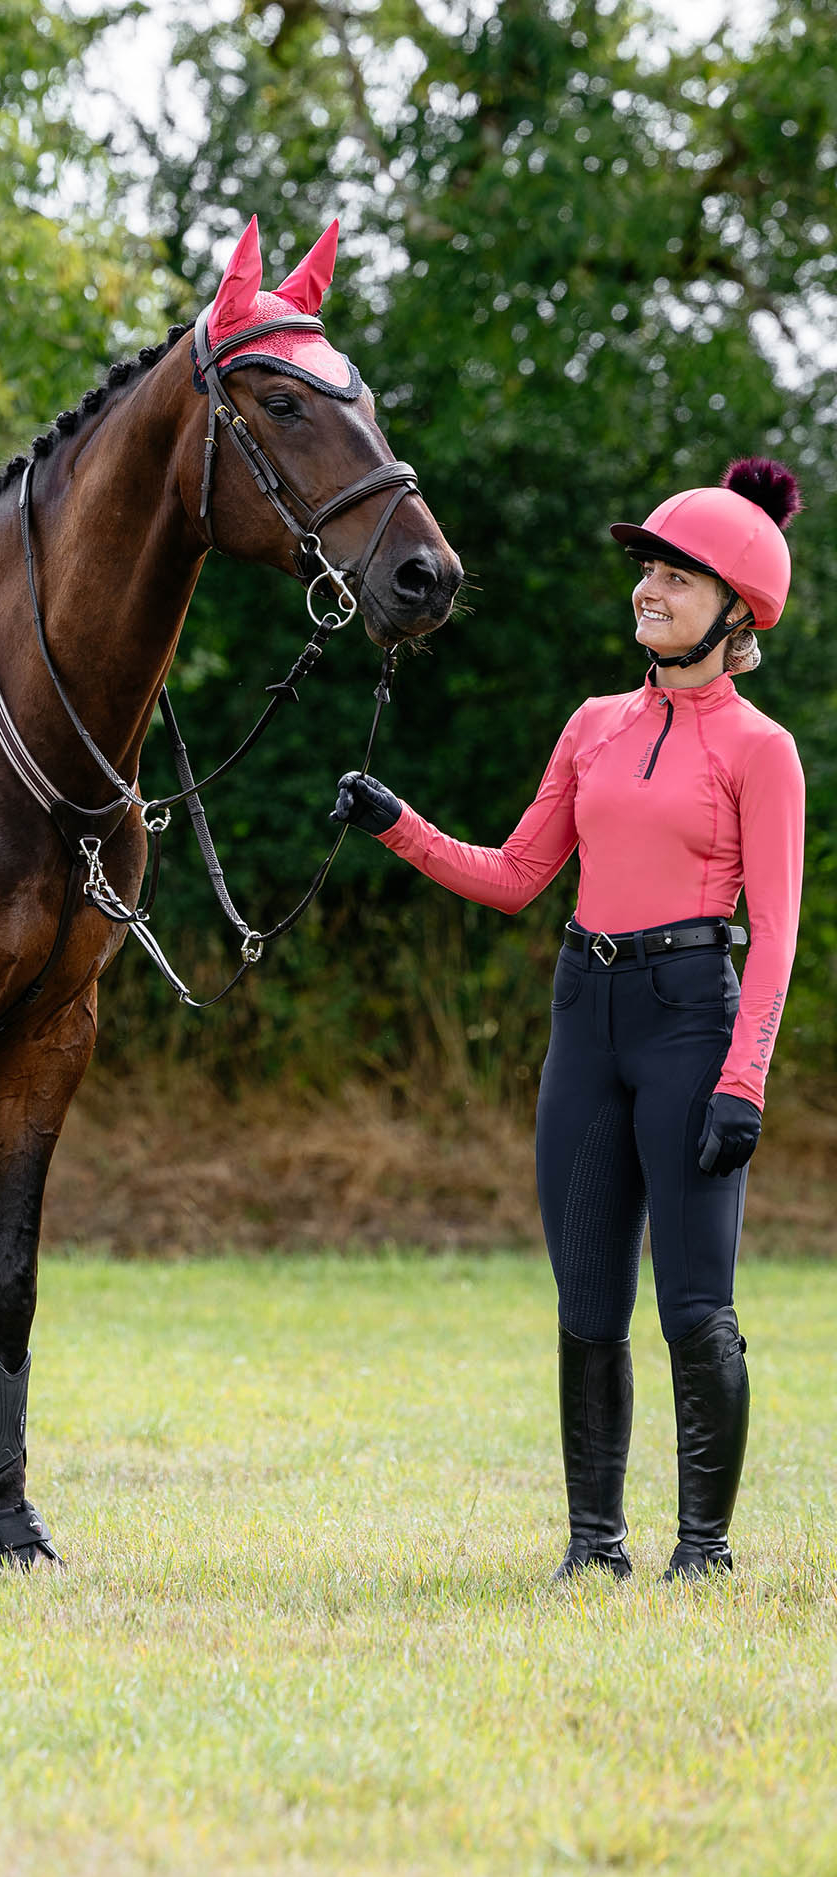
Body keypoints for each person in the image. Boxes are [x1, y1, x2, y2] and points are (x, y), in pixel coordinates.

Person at [334, 460, 805, 1580]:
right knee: (588, 1299)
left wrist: (744, 1080)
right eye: (646, 569)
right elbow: (513, 875)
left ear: (734, 610)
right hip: (583, 1017)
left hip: (690, 1020)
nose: (648, 588)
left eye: (677, 577)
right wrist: (398, 824)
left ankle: (704, 1551)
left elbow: (777, 935)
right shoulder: (591, 724)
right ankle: (593, 1547)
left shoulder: (760, 750)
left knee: (694, 1305)